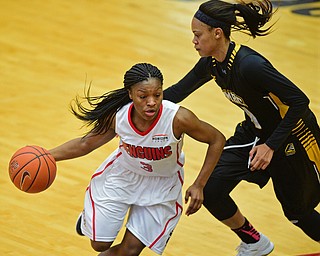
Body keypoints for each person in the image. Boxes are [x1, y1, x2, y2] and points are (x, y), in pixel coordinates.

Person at [163, 0, 320, 255]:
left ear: (217, 33)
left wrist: (271, 146)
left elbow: (300, 101)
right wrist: (134, 101)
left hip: (292, 137)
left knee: (298, 213)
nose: (194, 41)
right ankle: (254, 241)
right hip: (255, 133)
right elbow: (178, 91)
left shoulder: (250, 66)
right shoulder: (212, 63)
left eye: (197, 35)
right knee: (211, 190)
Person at [49, 63, 225, 256]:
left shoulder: (178, 118)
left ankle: (95, 220)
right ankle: (88, 220)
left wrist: (199, 184)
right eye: (143, 96)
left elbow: (217, 139)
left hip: (162, 185)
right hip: (123, 176)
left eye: (157, 95)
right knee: (100, 245)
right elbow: (85, 144)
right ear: (130, 94)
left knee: (130, 252)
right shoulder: (118, 116)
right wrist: (46, 156)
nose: (151, 102)